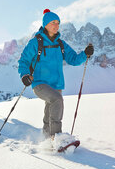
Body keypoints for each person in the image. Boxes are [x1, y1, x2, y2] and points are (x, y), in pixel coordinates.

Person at [18, 9, 94, 139]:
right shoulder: (36, 42)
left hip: (56, 84)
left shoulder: (61, 44)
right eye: (53, 22)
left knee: (51, 109)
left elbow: (73, 59)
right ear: (46, 24)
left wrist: (85, 54)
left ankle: (47, 139)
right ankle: (57, 137)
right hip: (40, 83)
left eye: (58, 23)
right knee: (57, 100)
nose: (56, 25)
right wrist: (24, 75)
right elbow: (23, 61)